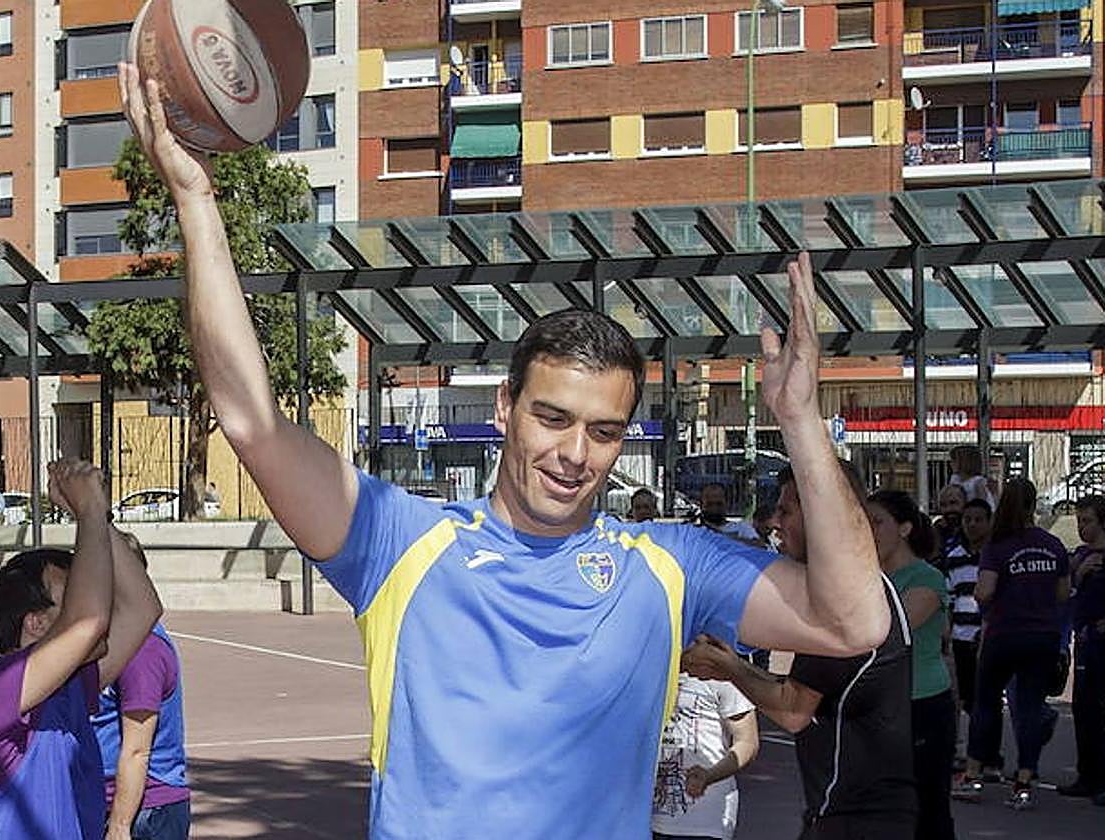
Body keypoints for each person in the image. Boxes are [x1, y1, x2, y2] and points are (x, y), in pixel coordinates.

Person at [119, 64, 890, 838]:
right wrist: (196, 203)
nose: (575, 453)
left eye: (603, 430)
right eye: (552, 418)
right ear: (504, 408)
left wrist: (800, 423)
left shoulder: (670, 565)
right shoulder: (401, 543)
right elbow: (251, 421)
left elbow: (853, 623)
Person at [0, 459, 163, 839]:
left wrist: (96, 518)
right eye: (70, 598)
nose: (96, 602)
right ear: (35, 623)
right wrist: (87, 511)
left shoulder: (68, 687)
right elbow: (87, 623)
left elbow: (142, 607)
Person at [682, 464, 916, 840]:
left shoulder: (847, 603)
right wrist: (732, 663)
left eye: (786, 511)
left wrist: (728, 669)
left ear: (824, 516)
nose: (775, 522)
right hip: (853, 813)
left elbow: (793, 710)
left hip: (858, 819)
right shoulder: (865, 588)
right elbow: (802, 689)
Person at [955, 478, 1069, 810]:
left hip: (1004, 633)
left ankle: (974, 774)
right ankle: (1024, 781)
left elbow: (984, 591)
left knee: (986, 704)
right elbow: (1062, 594)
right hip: (1043, 635)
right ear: (1035, 505)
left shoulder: (998, 545)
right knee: (1031, 708)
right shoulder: (1053, 545)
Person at [866, 490, 956, 840]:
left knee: (927, 808)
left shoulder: (927, 578)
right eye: (864, 523)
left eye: (877, 522)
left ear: (904, 529)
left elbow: (887, 631)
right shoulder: (868, 580)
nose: (869, 531)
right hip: (877, 710)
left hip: (923, 705)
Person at [92, 533, 190, 840]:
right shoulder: (114, 641)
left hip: (146, 810)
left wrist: (120, 825)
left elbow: (137, 750)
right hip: (109, 799)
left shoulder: (142, 650)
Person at [652, 674, 759, 840]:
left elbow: (747, 742)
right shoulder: (647, 669)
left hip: (704, 823)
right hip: (645, 819)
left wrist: (709, 776)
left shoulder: (720, 674)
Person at [1058, 494, 1105, 801]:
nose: (1082, 527)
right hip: (1087, 642)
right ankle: (1087, 775)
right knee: (1085, 710)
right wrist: (1078, 572)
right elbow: (1065, 594)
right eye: (1079, 521)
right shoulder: (1081, 556)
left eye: (1087, 521)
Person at [945, 499, 991, 767]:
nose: (972, 525)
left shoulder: (994, 554)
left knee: (982, 698)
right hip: (960, 637)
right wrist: (949, 634)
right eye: (968, 519)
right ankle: (962, 751)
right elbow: (950, 598)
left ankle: (983, 754)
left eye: (978, 519)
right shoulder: (955, 557)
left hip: (985, 635)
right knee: (961, 697)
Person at [696, 484, 760, 543]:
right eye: (709, 504)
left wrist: (722, 536)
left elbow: (761, 548)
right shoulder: (693, 531)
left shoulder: (742, 528)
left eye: (719, 504)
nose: (714, 508)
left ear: (727, 504)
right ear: (701, 505)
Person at [948, 446, 995, 511]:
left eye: (954, 461)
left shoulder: (978, 481)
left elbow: (981, 503)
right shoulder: (955, 479)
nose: (951, 464)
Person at [932, 484, 966, 565]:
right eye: (943, 505)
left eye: (953, 503)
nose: (948, 509)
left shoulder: (974, 529)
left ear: (965, 503)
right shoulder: (936, 532)